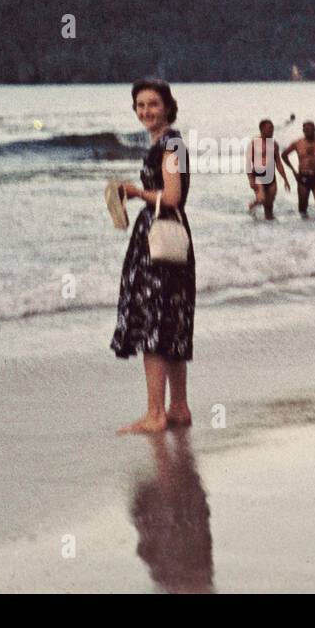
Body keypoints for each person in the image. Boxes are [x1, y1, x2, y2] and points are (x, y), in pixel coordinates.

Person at [111, 79, 196, 435]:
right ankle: (178, 408)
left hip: (159, 243)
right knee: (171, 325)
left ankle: (154, 415)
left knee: (153, 327)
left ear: (167, 107)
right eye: (140, 105)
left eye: (153, 104)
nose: (146, 111)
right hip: (170, 240)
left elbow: (173, 196)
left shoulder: (171, 144)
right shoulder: (165, 143)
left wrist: (134, 192)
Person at [281, 121, 315, 218]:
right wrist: (293, 170)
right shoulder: (297, 143)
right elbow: (284, 155)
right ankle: (304, 230)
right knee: (302, 209)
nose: (308, 131)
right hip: (303, 176)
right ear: (303, 131)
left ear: (314, 129)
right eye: (306, 130)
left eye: (310, 129)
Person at [246, 119, 290, 220]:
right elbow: (248, 163)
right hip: (258, 175)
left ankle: (269, 230)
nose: (272, 131)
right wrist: (250, 180)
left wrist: (285, 179)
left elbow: (278, 162)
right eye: (269, 129)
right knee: (261, 199)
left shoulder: (274, 144)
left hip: (271, 176)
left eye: (272, 129)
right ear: (262, 129)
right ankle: (252, 206)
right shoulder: (254, 143)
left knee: (269, 207)